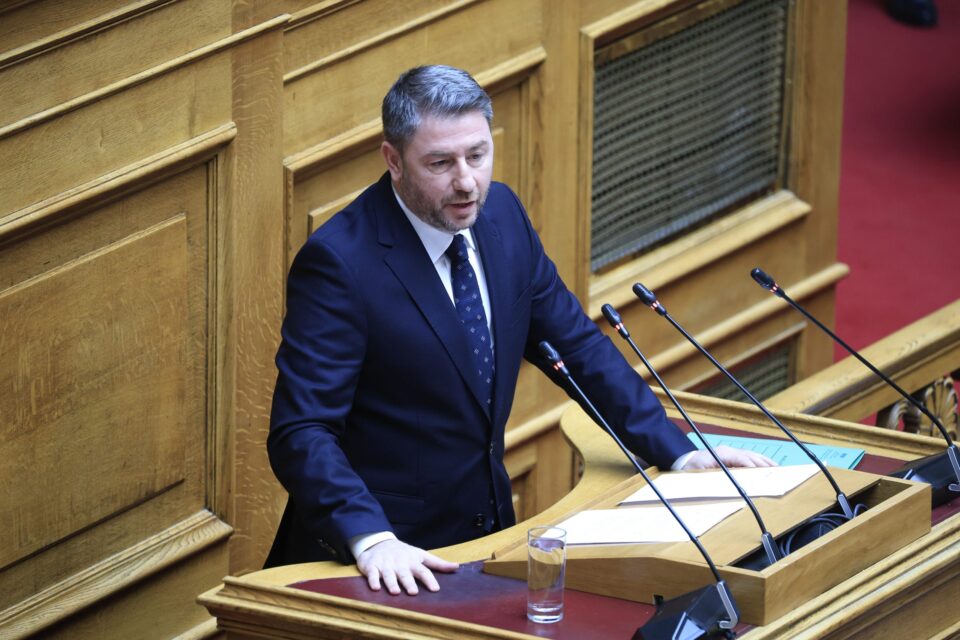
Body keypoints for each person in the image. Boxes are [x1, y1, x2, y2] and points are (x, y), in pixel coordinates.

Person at [265, 64, 773, 596]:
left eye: (477, 155)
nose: (466, 181)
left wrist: (678, 450)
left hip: (487, 537)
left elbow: (575, 346)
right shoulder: (341, 263)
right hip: (383, 562)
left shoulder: (501, 215)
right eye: (440, 163)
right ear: (393, 160)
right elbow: (302, 430)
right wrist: (371, 538)